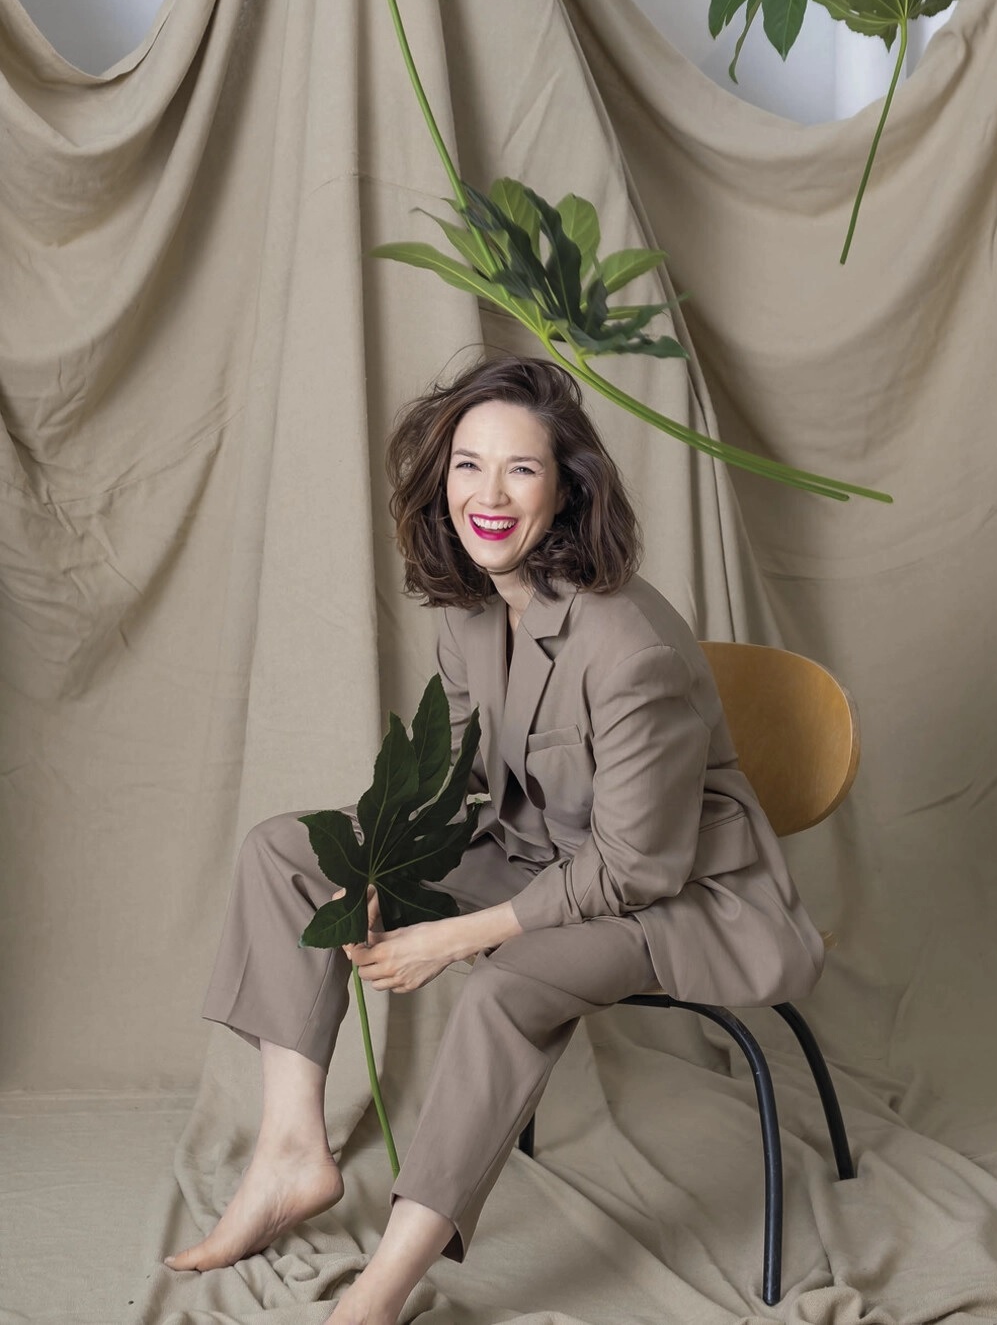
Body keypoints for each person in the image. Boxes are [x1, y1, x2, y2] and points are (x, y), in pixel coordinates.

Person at [165, 354, 825, 1325]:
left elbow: (636, 865)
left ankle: (379, 1291)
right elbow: (458, 780)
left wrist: (452, 935)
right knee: (284, 852)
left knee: (507, 982)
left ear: (566, 490)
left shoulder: (629, 648)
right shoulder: (476, 611)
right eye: (468, 465)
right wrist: (384, 866)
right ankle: (292, 1150)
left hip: (673, 896)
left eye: (521, 468)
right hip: (535, 852)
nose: (489, 493)